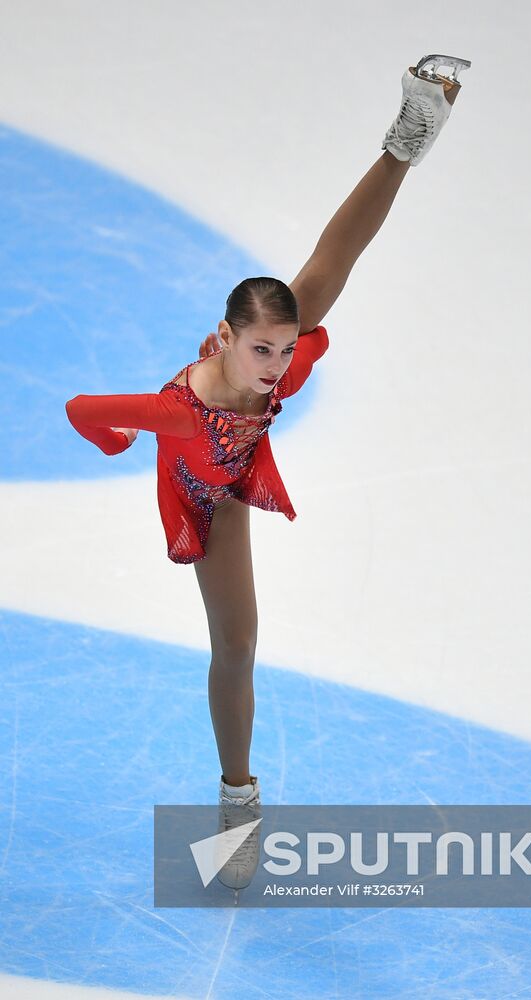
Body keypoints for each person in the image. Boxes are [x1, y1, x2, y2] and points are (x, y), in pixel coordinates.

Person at [65, 55, 470, 898]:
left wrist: (412, 140)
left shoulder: (274, 351)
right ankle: (237, 804)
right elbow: (79, 408)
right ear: (222, 337)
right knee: (237, 645)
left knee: (328, 273)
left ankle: (406, 135)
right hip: (201, 486)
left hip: (237, 458)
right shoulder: (177, 411)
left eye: (286, 350)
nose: (277, 367)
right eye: (262, 350)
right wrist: (122, 446)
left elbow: (341, 245)